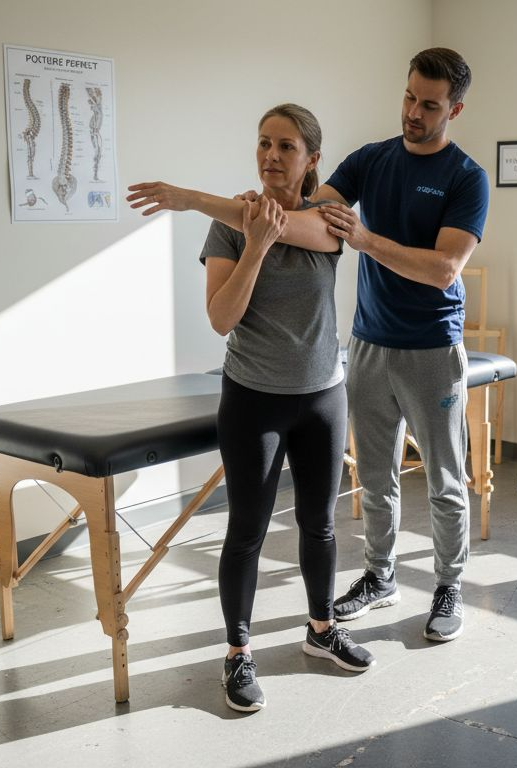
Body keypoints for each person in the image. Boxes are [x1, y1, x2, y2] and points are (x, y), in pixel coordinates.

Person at [125, 104, 374, 714]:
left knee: (319, 524)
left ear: (312, 159)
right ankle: (238, 653)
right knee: (247, 532)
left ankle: (321, 629)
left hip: (321, 396)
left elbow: (296, 227)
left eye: (286, 146)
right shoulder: (231, 229)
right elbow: (220, 319)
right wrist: (255, 244)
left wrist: (192, 197)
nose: (270, 156)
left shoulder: (329, 220)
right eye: (263, 143)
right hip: (254, 399)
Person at [313, 48, 489, 643]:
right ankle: (379, 576)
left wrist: (363, 238)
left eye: (430, 104)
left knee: (444, 477)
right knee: (376, 478)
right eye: (410, 97)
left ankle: (448, 585)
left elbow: (444, 269)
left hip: (432, 351)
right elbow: (316, 213)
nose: (414, 112)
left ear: (455, 109)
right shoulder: (372, 159)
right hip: (368, 346)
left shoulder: (466, 178)